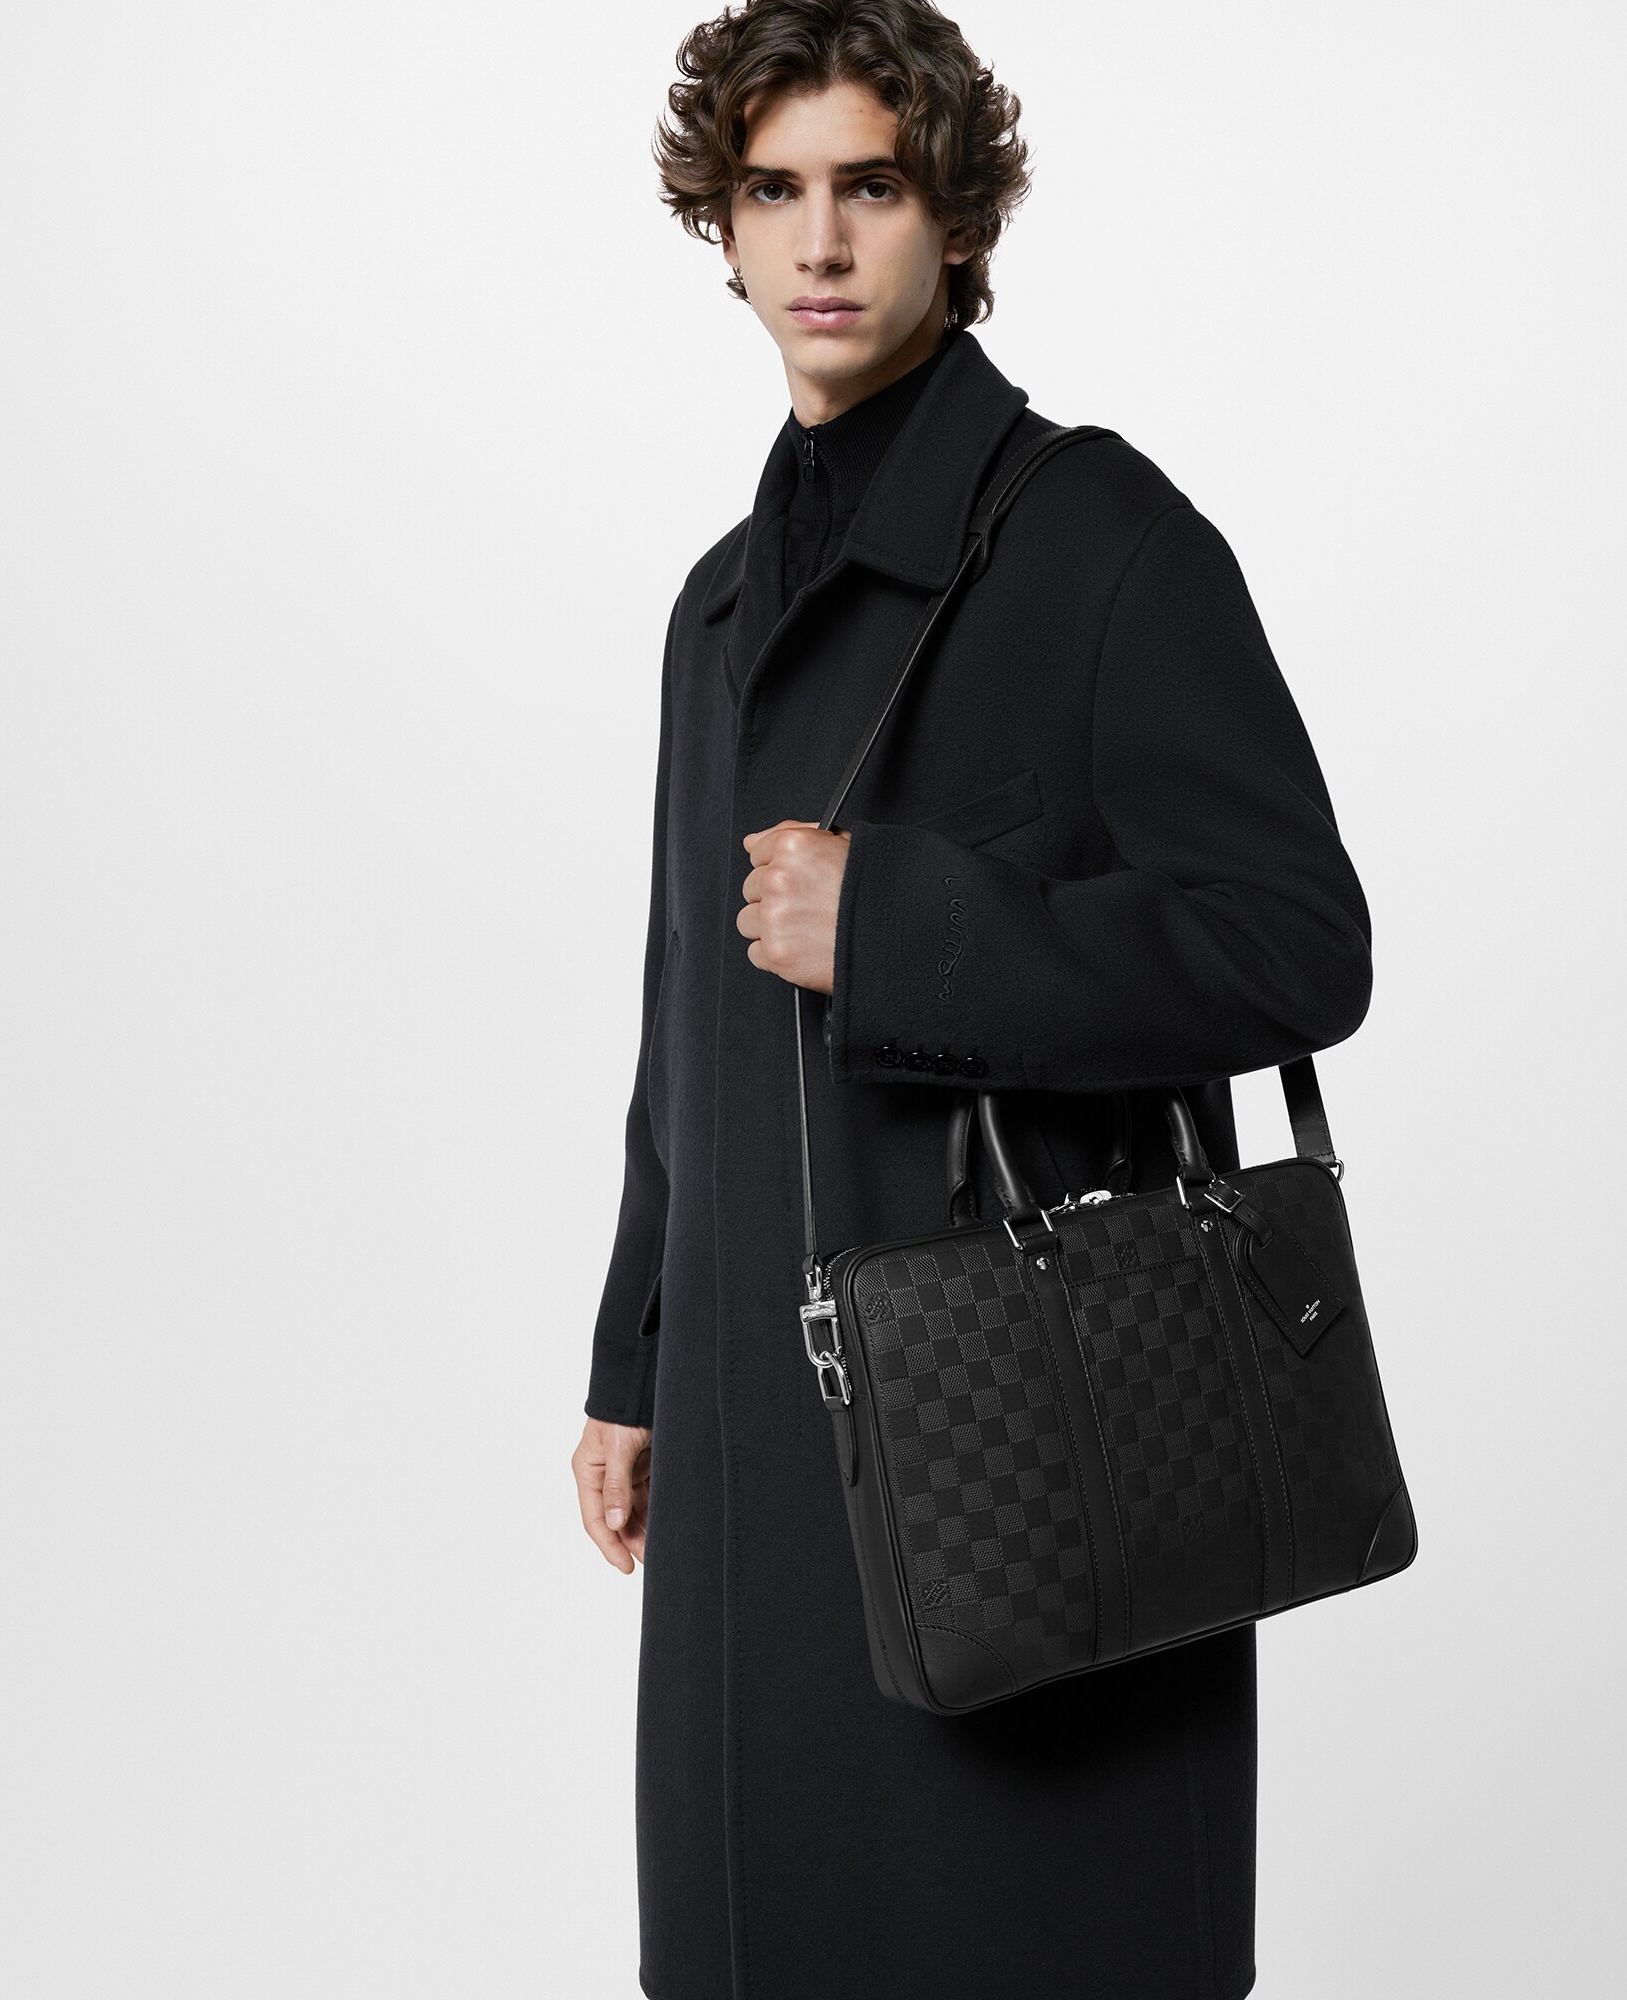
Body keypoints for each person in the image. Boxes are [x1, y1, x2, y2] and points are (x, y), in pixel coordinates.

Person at [569, 4, 1373, 1995]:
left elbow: (1295, 942)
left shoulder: (1101, 540)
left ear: (955, 214)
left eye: (871, 184)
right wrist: (634, 1357)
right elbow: (683, 1018)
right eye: (774, 191)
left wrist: (907, 928)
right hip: (755, 1442)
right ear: (722, 226)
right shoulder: (714, 608)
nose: (821, 241)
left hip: (1030, 1443)